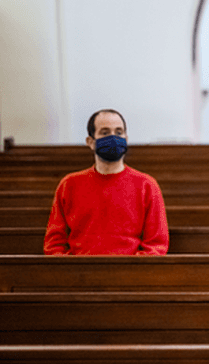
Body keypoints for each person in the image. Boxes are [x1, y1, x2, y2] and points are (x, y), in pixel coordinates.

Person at [44, 109, 169, 255]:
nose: (113, 137)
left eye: (119, 132)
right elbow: (54, 243)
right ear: (90, 142)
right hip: (78, 273)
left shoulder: (146, 185)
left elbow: (156, 245)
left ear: (126, 139)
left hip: (130, 273)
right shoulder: (69, 185)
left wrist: (131, 272)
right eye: (105, 133)